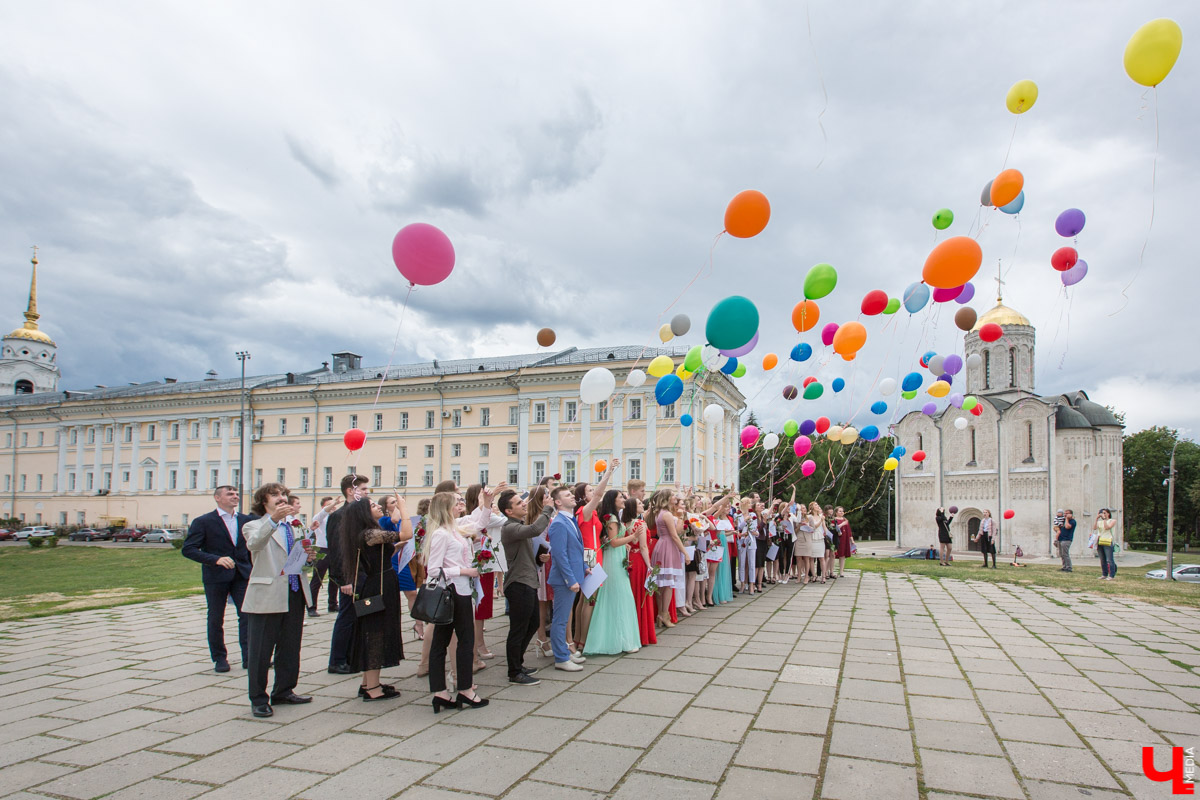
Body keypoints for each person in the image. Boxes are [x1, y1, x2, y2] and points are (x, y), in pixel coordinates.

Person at [241, 483, 313, 717]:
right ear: (264, 501)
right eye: (275, 495)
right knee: (261, 650)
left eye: (283, 495)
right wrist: (272, 521)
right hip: (268, 594)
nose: (282, 498)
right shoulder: (254, 525)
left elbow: (299, 559)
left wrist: (309, 557)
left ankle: (284, 690)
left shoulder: (294, 525)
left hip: (294, 591)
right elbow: (254, 544)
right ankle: (258, 698)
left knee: (290, 646)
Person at [425, 489, 490, 711]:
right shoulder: (441, 533)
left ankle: (454, 690)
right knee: (458, 641)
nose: (460, 504)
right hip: (452, 592)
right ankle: (459, 690)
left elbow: (480, 522)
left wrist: (488, 502)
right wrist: (464, 571)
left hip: (461, 590)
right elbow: (433, 570)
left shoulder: (455, 528)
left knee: (455, 641)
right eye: (456, 502)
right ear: (446, 508)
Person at [182, 485, 253, 673]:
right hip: (216, 576)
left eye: (237, 493)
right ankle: (220, 658)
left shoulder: (246, 520)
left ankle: (249, 656)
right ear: (217, 498)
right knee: (215, 618)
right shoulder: (204, 521)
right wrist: (215, 560)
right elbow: (188, 549)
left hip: (241, 574)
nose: (235, 496)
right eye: (230, 494)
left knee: (246, 615)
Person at [343, 497, 408, 700]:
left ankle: (368, 683)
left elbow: (376, 557)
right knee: (375, 633)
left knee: (372, 630)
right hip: (377, 588)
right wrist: (403, 509)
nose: (378, 506)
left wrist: (395, 548)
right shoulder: (370, 533)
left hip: (377, 584)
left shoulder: (367, 533)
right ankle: (372, 689)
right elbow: (406, 532)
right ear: (364, 513)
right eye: (373, 505)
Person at [499, 487, 554, 685]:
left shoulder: (518, 525)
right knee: (518, 628)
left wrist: (540, 559)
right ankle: (514, 672)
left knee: (531, 623)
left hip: (528, 581)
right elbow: (535, 529)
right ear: (509, 511)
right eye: (518, 502)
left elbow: (524, 554)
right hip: (518, 584)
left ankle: (518, 663)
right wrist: (547, 509)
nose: (523, 503)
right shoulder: (510, 527)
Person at [584, 489, 641, 655]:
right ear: (613, 500)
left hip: (616, 557)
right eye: (620, 497)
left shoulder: (613, 517)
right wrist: (632, 537)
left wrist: (627, 543)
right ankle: (621, 639)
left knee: (618, 595)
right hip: (613, 561)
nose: (624, 499)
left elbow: (611, 541)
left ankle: (619, 638)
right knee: (619, 596)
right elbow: (614, 542)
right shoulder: (613, 518)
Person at [571, 460, 620, 653]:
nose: (594, 493)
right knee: (590, 600)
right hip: (590, 558)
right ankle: (583, 641)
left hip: (592, 553)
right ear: (583, 497)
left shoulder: (589, 513)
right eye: (589, 491)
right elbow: (601, 494)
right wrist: (609, 472)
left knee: (584, 599)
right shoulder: (585, 510)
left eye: (593, 490)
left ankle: (577, 638)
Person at [326, 473, 369, 674]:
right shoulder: (338, 516)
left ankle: (353, 656)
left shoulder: (361, 514)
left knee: (361, 615)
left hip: (363, 573)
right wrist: (343, 580)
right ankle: (337, 660)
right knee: (346, 617)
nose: (368, 493)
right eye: (364, 489)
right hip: (349, 576)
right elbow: (336, 550)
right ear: (350, 491)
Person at [546, 486, 589, 671]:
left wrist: (585, 567)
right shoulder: (557, 523)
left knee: (563, 618)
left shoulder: (570, 520)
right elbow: (560, 555)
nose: (572, 496)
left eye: (571, 494)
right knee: (561, 620)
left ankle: (565, 652)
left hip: (574, 575)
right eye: (567, 495)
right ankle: (561, 658)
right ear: (557, 502)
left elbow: (575, 549)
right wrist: (570, 579)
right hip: (564, 579)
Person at [466, 483, 507, 670]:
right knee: (478, 611)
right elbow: (497, 520)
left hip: (486, 566)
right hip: (477, 567)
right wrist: (490, 499)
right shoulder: (474, 516)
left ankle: (478, 644)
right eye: (485, 495)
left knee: (481, 611)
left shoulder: (482, 514)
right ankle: (477, 647)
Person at [378, 494, 420, 640]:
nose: (396, 503)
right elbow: (394, 519)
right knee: (391, 595)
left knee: (412, 592)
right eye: (392, 502)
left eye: (396, 501)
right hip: (391, 559)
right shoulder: (384, 520)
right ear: (385, 506)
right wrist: (400, 506)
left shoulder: (402, 520)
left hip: (402, 559)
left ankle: (418, 624)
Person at [648, 489, 687, 623]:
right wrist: (685, 553)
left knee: (660, 583)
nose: (675, 497)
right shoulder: (667, 515)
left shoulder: (660, 513)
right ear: (667, 499)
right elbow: (675, 535)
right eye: (672, 495)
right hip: (668, 546)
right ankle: (664, 614)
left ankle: (661, 614)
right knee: (669, 584)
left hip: (661, 544)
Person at [623, 495, 657, 645]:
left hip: (628, 559)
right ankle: (642, 633)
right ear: (632, 507)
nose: (642, 504)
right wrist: (649, 565)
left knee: (631, 594)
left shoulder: (624, 523)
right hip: (639, 561)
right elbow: (643, 547)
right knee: (641, 596)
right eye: (638, 503)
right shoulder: (640, 524)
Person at [307, 496, 341, 617]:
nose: (334, 506)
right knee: (317, 578)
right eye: (330, 504)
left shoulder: (336, 518)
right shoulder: (320, 517)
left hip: (334, 550)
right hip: (322, 549)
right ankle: (311, 606)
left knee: (334, 578)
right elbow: (323, 514)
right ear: (324, 506)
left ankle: (332, 604)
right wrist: (332, 505)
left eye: (335, 504)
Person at [1094, 508, 1117, 580]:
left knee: (1109, 559)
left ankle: (1111, 575)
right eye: (1101, 513)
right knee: (1102, 559)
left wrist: (1104, 519)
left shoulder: (1112, 521)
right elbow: (1094, 528)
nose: (1103, 514)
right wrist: (1096, 519)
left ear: (1108, 514)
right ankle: (1104, 574)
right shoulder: (1100, 522)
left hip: (1108, 541)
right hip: (1100, 541)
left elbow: (1107, 527)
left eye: (1104, 513)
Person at [833, 507, 854, 577]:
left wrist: (851, 539)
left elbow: (848, 530)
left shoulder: (845, 520)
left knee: (843, 555)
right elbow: (835, 528)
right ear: (836, 512)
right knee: (834, 554)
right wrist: (842, 524)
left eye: (842, 511)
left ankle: (841, 571)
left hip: (845, 539)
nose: (841, 512)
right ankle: (831, 571)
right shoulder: (834, 519)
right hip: (837, 538)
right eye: (840, 511)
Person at [1055, 509, 1076, 573]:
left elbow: (1067, 527)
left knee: (1065, 554)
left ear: (1071, 514)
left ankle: (1069, 567)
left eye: (1067, 513)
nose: (1065, 515)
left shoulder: (1072, 521)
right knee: (1061, 554)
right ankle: (1064, 566)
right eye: (1065, 513)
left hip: (1066, 539)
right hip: (1061, 539)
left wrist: (1067, 519)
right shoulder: (1063, 521)